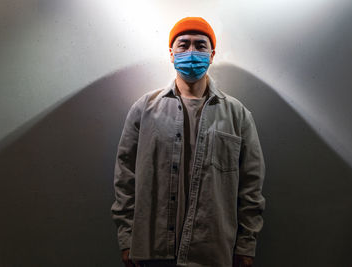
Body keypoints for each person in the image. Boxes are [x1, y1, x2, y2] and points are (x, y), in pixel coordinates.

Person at [111, 17, 266, 267]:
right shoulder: (144, 110)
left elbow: (251, 186)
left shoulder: (238, 115)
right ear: (171, 54)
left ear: (212, 54)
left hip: (211, 252)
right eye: (183, 45)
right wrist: (127, 238)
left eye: (200, 45)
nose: (191, 52)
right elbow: (124, 178)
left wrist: (246, 244)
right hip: (153, 251)